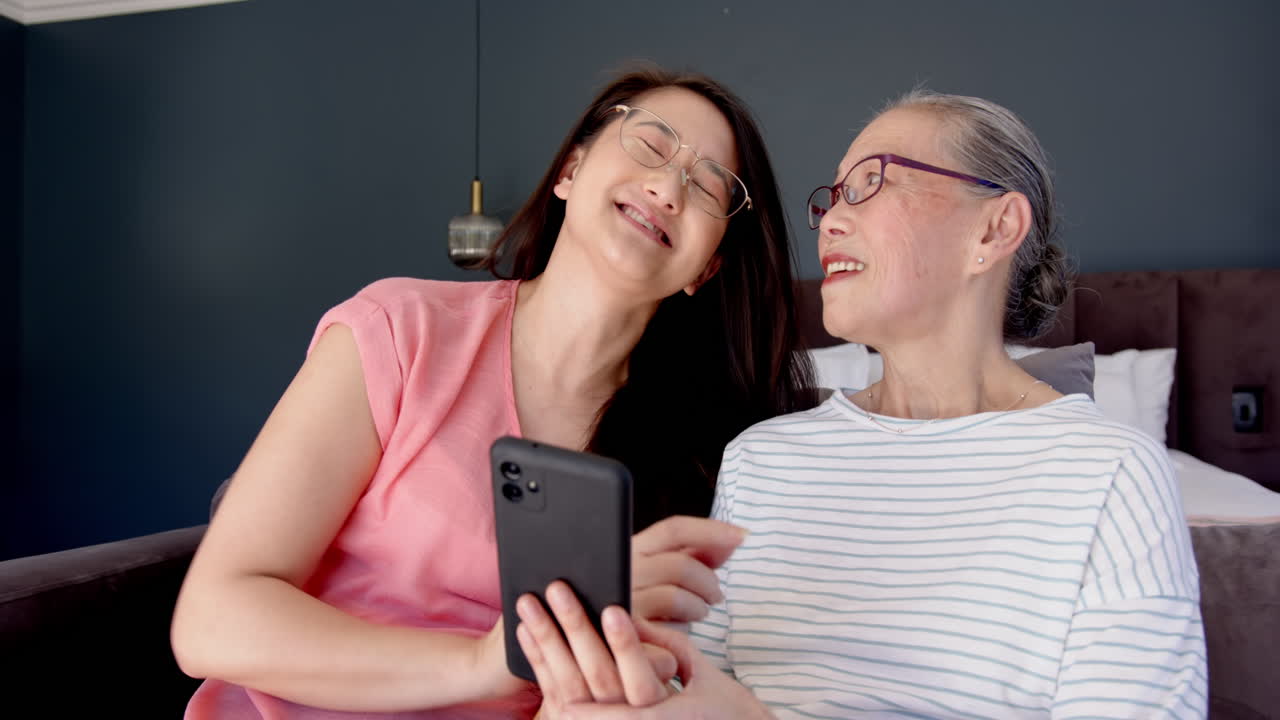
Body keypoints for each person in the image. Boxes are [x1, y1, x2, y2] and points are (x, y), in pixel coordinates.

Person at [518, 89, 1207, 719]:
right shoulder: (764, 459)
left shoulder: (1111, 474)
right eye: (832, 198)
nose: (829, 222)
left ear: (994, 230)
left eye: (871, 184)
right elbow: (697, 686)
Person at [170, 66, 817, 719]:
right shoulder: (400, 330)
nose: (668, 188)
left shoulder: (703, 462)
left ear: (704, 269)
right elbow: (211, 621)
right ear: (570, 171)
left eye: (708, 187)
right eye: (651, 146)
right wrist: (486, 661)